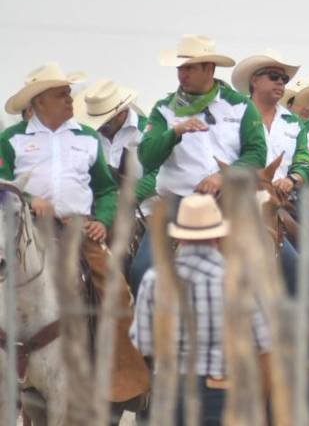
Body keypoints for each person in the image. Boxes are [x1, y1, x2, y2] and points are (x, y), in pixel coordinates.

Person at [1, 63, 151, 404]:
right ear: (40, 101)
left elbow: (106, 189)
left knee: (116, 290)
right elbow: (1, 183)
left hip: (77, 230)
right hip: (23, 229)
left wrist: (103, 220)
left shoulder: (86, 137)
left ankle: (118, 379)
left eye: (69, 93)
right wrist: (29, 199)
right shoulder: (11, 140)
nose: (70, 99)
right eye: (62, 94)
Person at [134, 35, 267, 293]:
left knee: (287, 264)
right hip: (177, 202)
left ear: (209, 68)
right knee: (142, 268)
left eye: (189, 68)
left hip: (230, 199)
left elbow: (257, 153)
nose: (181, 74)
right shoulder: (164, 109)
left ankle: (294, 318)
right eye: (180, 68)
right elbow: (147, 157)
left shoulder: (240, 105)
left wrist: (222, 177)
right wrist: (175, 132)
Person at [131, 194, 271, 425]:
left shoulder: (155, 279)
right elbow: (263, 344)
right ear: (218, 236)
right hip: (222, 390)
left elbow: (143, 344)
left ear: (179, 237)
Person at [230, 51, 309, 192]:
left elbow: (304, 162)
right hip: (240, 195)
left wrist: (291, 179)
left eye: (284, 79)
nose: (280, 82)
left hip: (282, 197)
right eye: (273, 76)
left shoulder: (294, 123)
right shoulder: (233, 116)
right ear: (254, 80)